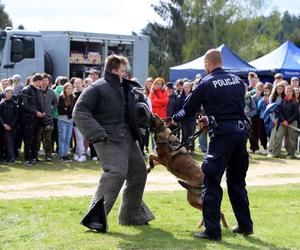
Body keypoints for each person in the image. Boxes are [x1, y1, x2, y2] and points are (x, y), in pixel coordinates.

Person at [172, 49, 253, 241]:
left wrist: (174, 121)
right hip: (241, 134)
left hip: (222, 137)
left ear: (208, 63)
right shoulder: (237, 81)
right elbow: (231, 107)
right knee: (237, 182)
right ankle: (245, 225)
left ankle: (212, 230)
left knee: (211, 181)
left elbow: (188, 110)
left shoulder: (206, 83)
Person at [73, 54, 154, 230]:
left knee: (139, 172)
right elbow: (79, 111)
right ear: (114, 69)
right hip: (107, 137)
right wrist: (97, 133)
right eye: (123, 70)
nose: (126, 74)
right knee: (116, 172)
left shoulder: (126, 87)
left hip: (127, 137)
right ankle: (95, 219)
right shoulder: (97, 87)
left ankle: (131, 215)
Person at [18, 73, 45, 165]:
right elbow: (24, 105)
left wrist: (42, 112)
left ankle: (34, 156)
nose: (42, 83)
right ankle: (27, 158)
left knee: (36, 139)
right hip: (28, 119)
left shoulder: (38, 91)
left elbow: (39, 103)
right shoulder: (26, 90)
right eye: (41, 81)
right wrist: (35, 112)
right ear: (37, 81)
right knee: (28, 139)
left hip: (37, 119)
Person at [36, 73, 57, 161]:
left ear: (49, 82)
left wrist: (51, 110)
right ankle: (35, 155)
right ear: (40, 81)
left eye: (46, 81)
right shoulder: (36, 91)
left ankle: (48, 156)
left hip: (48, 119)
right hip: (37, 119)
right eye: (43, 81)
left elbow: (55, 103)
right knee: (37, 138)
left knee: (48, 139)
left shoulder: (52, 92)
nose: (44, 82)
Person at [57, 82, 75, 162]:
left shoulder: (73, 98)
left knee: (68, 139)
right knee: (62, 138)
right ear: (64, 89)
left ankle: (65, 154)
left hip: (70, 121)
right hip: (63, 120)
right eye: (68, 88)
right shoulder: (61, 97)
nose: (70, 90)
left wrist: (67, 110)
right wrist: (68, 111)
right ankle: (62, 155)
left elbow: (73, 110)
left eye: (71, 88)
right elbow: (60, 110)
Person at [0, 86, 18, 163]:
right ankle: (10, 158)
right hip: (4, 127)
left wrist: (11, 125)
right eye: (8, 93)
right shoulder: (2, 104)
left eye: (11, 93)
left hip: (12, 127)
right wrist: (4, 124)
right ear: (5, 94)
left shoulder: (14, 104)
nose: (9, 94)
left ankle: (11, 158)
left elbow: (17, 116)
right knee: (7, 143)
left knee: (11, 143)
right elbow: (0, 115)